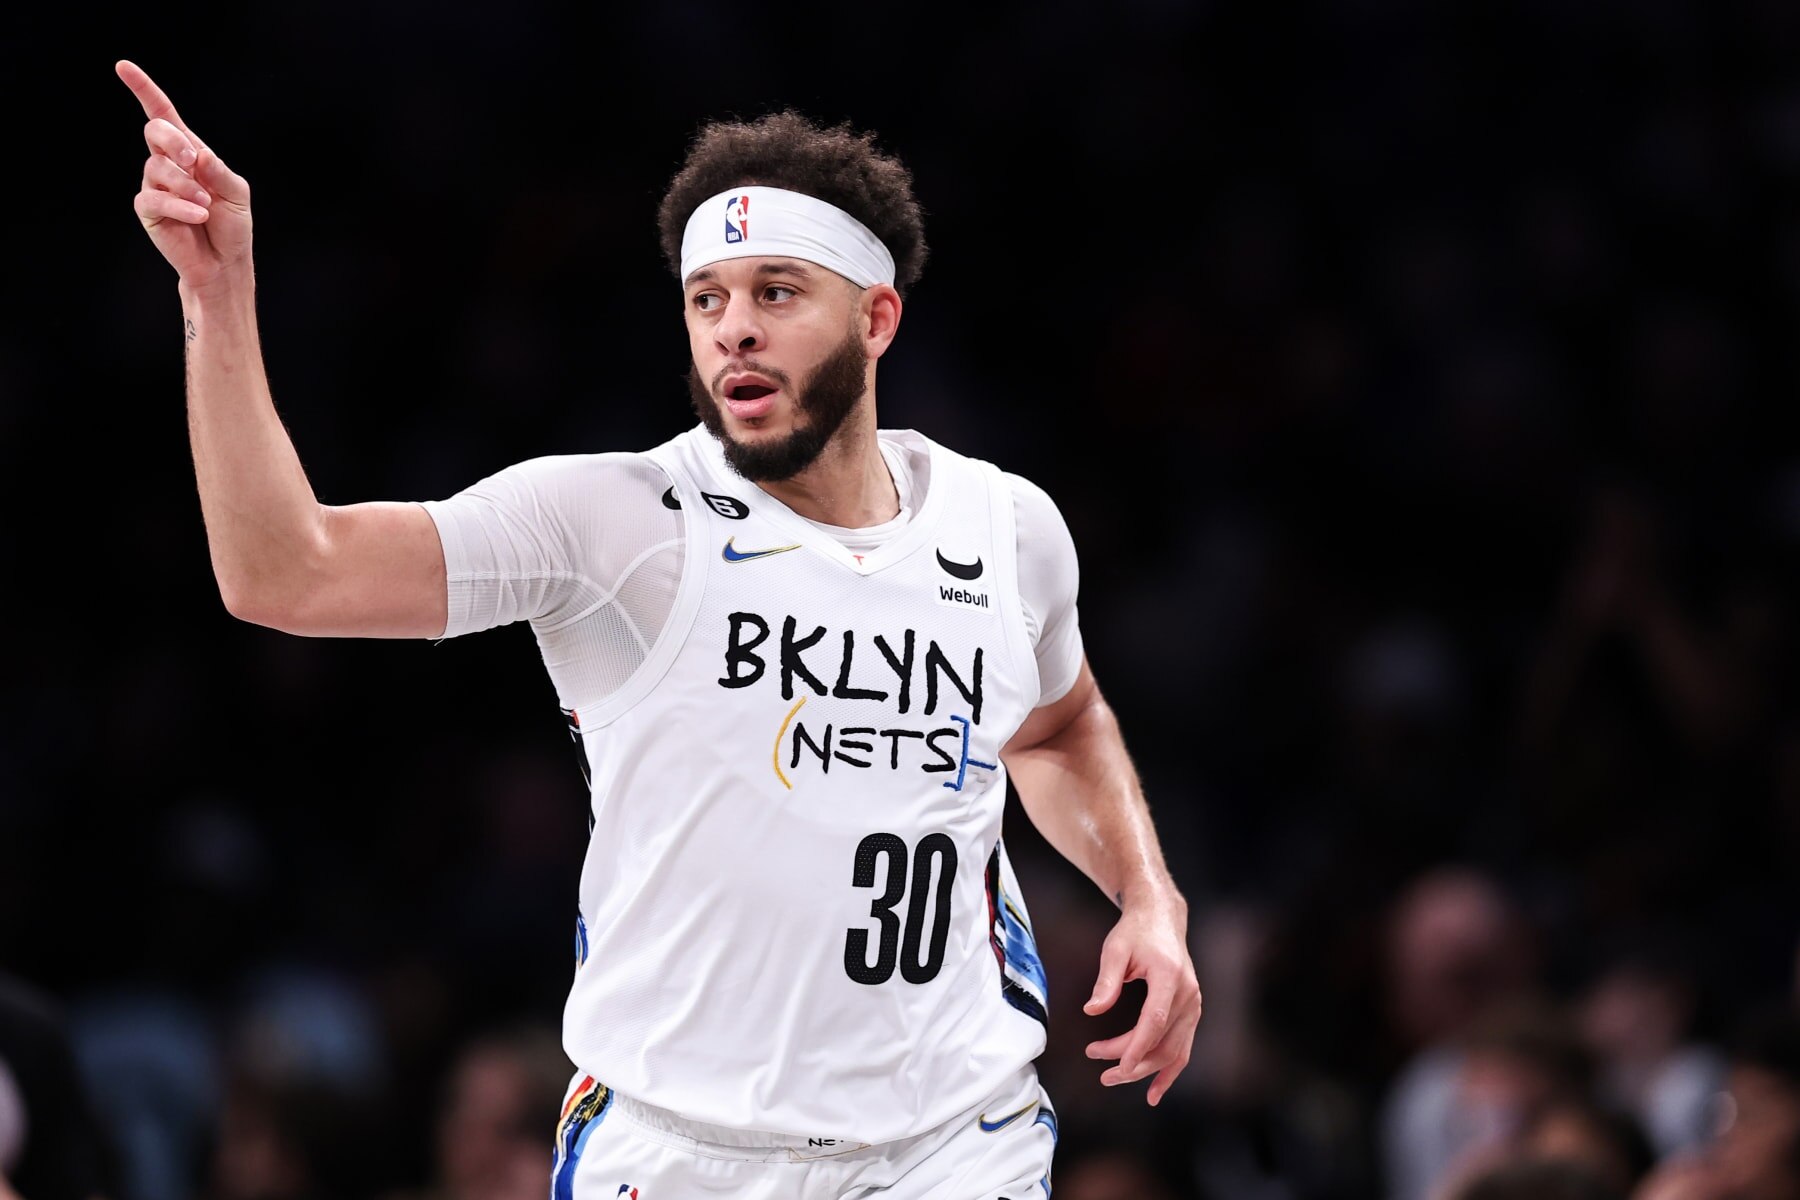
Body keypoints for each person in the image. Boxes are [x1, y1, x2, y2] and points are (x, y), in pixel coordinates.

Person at [116, 60, 1203, 1199]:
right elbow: (287, 573)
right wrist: (216, 293)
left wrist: (1150, 898)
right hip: (685, 1152)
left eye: (777, 292)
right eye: (708, 298)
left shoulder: (1008, 526)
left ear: (876, 318)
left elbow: (1061, 725)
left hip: (955, 1139)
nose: (734, 329)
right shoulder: (620, 525)